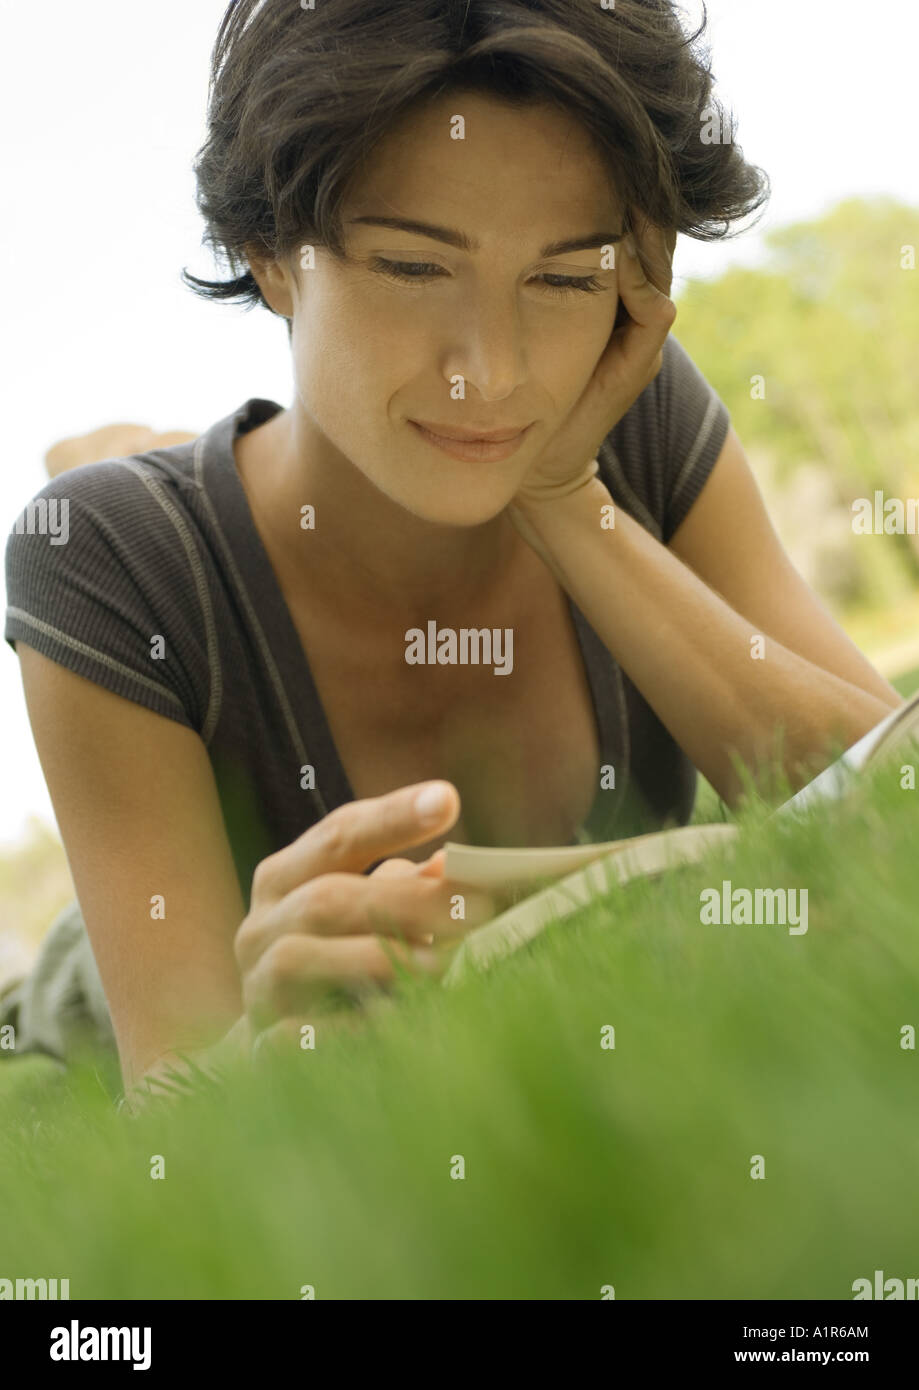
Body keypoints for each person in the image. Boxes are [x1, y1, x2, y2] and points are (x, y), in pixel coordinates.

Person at [2, 0, 902, 1110]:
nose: (494, 372)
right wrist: (260, 1047)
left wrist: (566, 499)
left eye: (565, 279)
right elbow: (172, 1104)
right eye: (415, 269)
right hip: (83, 998)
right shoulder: (113, 557)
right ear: (271, 258)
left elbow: (891, 813)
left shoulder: (631, 421)